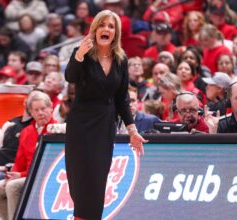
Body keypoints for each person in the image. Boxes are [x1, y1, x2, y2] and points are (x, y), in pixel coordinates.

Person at [64, 10, 147, 219]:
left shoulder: (121, 59)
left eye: (111, 26)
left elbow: (122, 99)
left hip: (104, 126)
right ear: (95, 29)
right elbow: (70, 77)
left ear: (116, 33)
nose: (106, 29)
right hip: (81, 125)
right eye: (102, 25)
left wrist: (132, 131)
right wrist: (79, 54)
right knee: (81, 181)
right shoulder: (82, 53)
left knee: (98, 179)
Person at [0, 91, 55, 220]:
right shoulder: (26, 132)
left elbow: (47, 166)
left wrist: (20, 176)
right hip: (25, 176)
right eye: (36, 110)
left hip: (45, 177)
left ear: (51, 108)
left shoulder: (57, 129)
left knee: (13, 187)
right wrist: (12, 175)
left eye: (43, 108)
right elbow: (19, 161)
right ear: (31, 113)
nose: (40, 113)